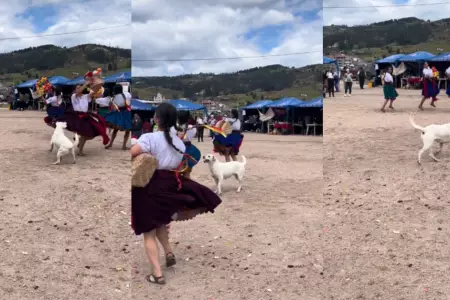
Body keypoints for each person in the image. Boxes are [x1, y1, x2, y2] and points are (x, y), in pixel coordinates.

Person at [130, 102, 222, 285]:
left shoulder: (149, 138)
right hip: (171, 184)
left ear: (156, 119)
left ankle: (157, 274)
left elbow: (132, 153)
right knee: (161, 222)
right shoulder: (179, 142)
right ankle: (169, 252)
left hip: (149, 185)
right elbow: (179, 165)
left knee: (148, 231)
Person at [60, 83, 110, 155]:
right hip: (77, 117)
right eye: (77, 88)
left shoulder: (86, 96)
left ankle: (79, 142)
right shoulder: (74, 96)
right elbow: (78, 92)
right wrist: (86, 84)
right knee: (84, 134)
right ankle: (80, 151)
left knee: (90, 135)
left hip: (86, 117)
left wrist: (97, 85)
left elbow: (95, 93)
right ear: (75, 90)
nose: (79, 89)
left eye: (80, 88)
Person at [104, 84, 132, 150]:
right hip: (126, 113)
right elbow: (129, 102)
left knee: (115, 130)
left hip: (117, 114)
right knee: (127, 130)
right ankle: (124, 145)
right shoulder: (126, 94)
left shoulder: (113, 97)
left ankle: (110, 143)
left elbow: (112, 106)